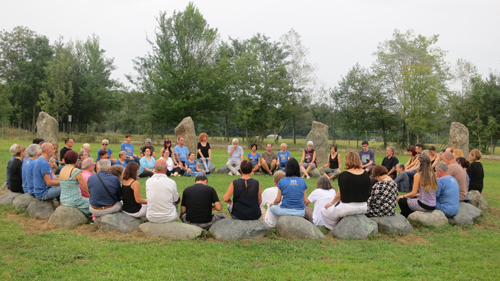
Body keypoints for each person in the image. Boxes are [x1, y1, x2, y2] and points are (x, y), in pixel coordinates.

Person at [320, 152, 372, 230]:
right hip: (363, 207)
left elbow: (339, 195)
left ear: (347, 161)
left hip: (347, 207)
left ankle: (333, 228)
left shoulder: (344, 175)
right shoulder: (365, 174)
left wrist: (330, 203)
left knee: (324, 211)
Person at [146, 159, 180, 223]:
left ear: (154, 168)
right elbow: (176, 200)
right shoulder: (171, 182)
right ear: (166, 168)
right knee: (174, 202)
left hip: (151, 217)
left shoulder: (148, 181)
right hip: (169, 217)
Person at [59, 150, 91, 216]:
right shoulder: (75, 171)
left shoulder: (62, 169)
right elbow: (85, 187)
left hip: (63, 199)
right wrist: (93, 196)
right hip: (75, 200)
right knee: (94, 204)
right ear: (75, 159)